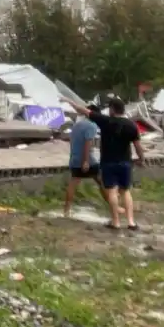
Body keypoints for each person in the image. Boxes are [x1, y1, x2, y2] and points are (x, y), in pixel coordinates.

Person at [63, 96, 145, 230]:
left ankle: (116, 222)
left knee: (112, 191)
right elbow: (137, 146)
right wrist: (142, 159)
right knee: (125, 191)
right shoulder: (132, 125)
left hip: (108, 162)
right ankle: (131, 222)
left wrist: (69, 101)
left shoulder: (105, 121)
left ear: (112, 109)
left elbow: (82, 110)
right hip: (125, 162)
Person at [64, 104, 112, 218]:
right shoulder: (92, 126)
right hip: (87, 159)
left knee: (73, 183)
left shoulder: (76, 125)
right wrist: (85, 161)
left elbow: (72, 142)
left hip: (74, 158)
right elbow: (88, 144)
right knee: (102, 182)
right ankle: (112, 206)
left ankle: (66, 210)